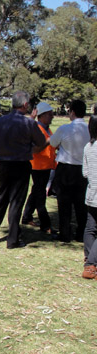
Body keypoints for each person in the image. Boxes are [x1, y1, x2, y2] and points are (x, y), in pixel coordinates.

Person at [0, 91, 47, 249]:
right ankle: (12, 239)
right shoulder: (29, 123)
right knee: (16, 203)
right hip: (20, 165)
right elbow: (41, 142)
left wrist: (0, 154)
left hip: (2, 164)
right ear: (25, 105)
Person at [50, 99, 90, 242]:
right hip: (82, 169)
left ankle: (65, 233)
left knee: (64, 203)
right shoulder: (89, 129)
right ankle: (81, 233)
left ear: (72, 112)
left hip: (66, 168)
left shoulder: (65, 128)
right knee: (81, 204)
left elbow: (53, 143)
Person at [22, 102, 57, 234]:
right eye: (49, 114)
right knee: (40, 195)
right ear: (41, 116)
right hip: (38, 166)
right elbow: (34, 149)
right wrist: (48, 141)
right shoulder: (36, 129)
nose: (52, 116)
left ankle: (26, 217)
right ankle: (45, 224)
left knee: (36, 191)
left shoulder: (47, 129)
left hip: (46, 165)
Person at [82, 116, 97, 279]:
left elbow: (85, 172)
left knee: (90, 228)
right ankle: (91, 265)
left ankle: (89, 258)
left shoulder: (88, 146)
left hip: (92, 193)